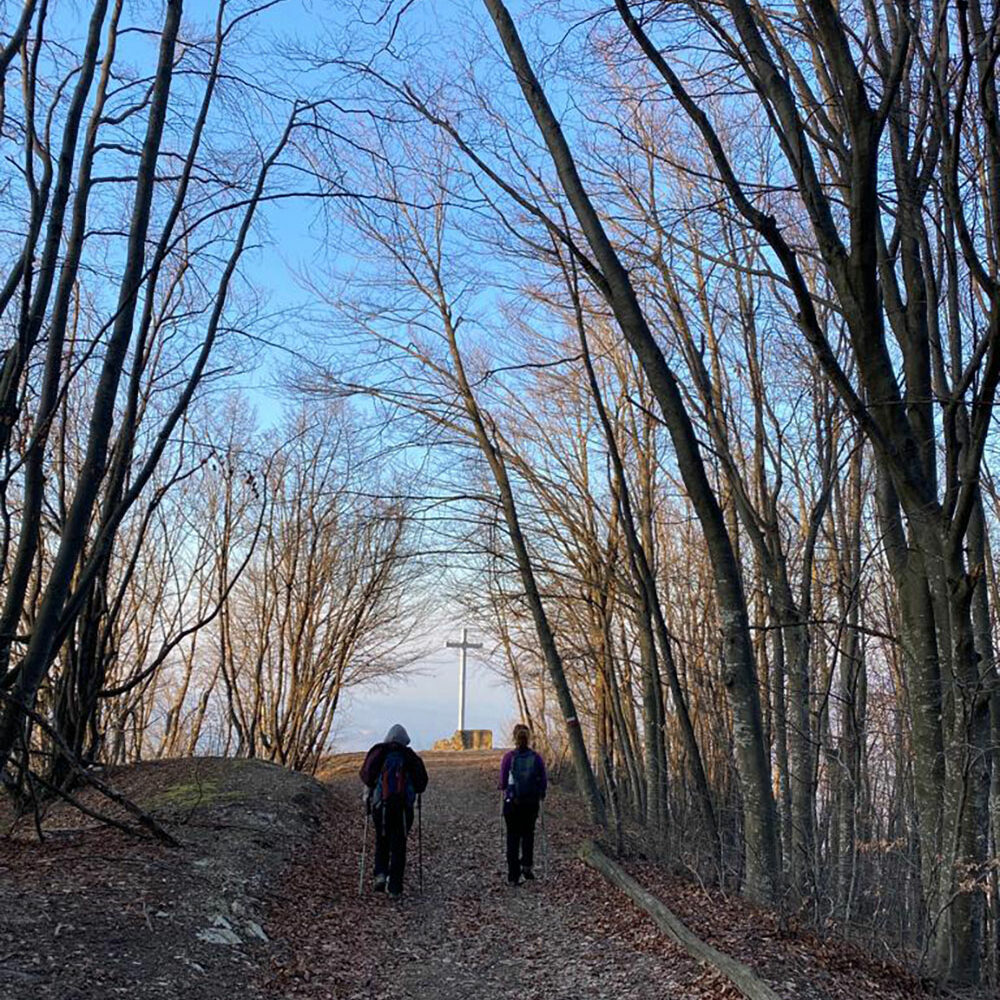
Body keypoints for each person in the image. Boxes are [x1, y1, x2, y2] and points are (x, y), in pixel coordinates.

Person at [359, 723, 428, 899]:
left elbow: (367, 777)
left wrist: (367, 802)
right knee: (399, 845)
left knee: (381, 839)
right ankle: (395, 886)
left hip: (380, 807)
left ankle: (380, 875)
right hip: (403, 809)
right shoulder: (410, 757)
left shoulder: (379, 753)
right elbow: (421, 784)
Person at [499, 723, 547, 885]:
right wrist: (541, 793)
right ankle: (526, 865)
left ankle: (513, 876)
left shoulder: (508, 758)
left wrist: (505, 788)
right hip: (531, 803)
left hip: (512, 803)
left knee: (512, 837)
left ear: (514, 738)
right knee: (528, 834)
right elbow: (543, 780)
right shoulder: (536, 758)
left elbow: (503, 782)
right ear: (529, 738)